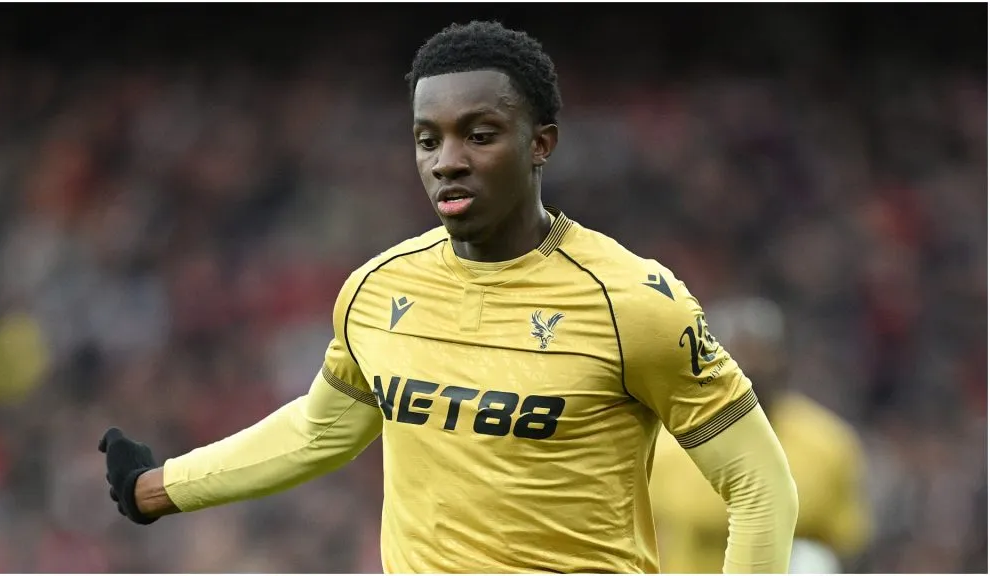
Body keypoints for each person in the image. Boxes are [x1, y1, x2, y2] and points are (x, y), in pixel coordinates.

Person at [99, 20, 799, 573]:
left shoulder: (634, 303)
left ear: (541, 144)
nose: (447, 160)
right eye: (427, 139)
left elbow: (762, 486)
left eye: (480, 134)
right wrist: (158, 488)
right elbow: (321, 431)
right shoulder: (379, 289)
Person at [651, 297, 872, 573]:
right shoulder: (663, 447)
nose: (750, 366)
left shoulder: (828, 446)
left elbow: (847, 545)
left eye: (762, 354)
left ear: (783, 360)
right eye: (737, 353)